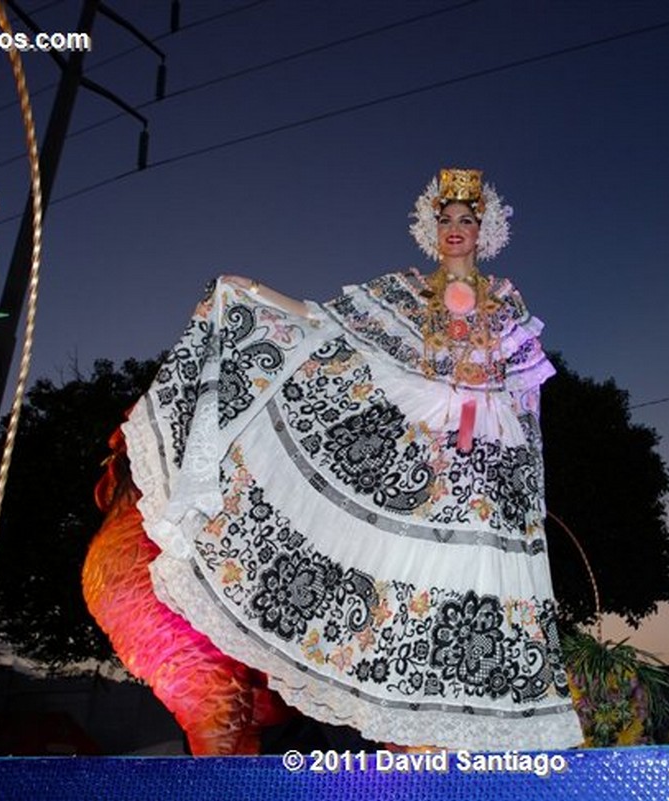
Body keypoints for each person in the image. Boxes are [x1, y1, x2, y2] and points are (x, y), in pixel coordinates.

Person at [88, 168, 582, 751]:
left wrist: (480, 451)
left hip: (475, 474)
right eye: (445, 219)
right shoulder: (404, 291)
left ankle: (452, 740)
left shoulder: (505, 303)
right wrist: (252, 296)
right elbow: (326, 327)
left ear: (484, 230)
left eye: (465, 221)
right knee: (400, 601)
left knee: (466, 600)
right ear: (432, 228)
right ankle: (410, 736)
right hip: (417, 469)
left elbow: (515, 398)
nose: (455, 230)